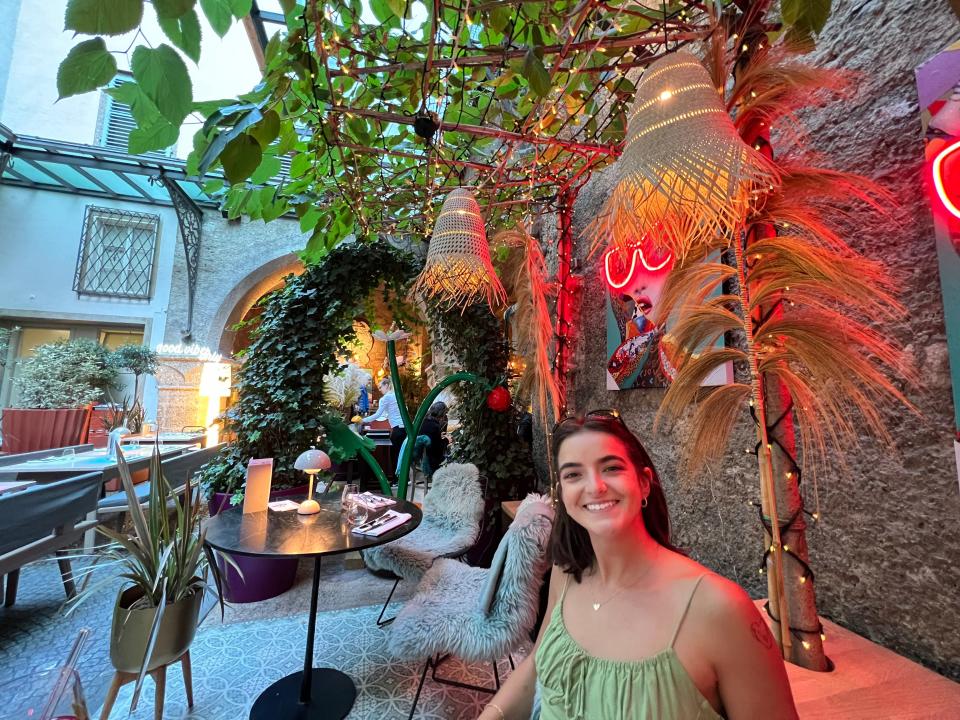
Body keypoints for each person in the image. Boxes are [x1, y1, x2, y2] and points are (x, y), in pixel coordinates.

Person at [478, 411, 798, 720]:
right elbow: (537, 664)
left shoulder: (719, 609)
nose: (595, 487)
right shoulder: (567, 572)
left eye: (611, 468)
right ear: (562, 493)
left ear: (644, 483)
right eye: (574, 474)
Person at [362, 377, 406, 466]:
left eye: (380, 387)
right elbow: (384, 415)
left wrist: (362, 421)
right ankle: (402, 478)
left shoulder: (385, 398)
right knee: (401, 455)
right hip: (404, 429)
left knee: (394, 456)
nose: (379, 389)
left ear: (386, 385)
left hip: (397, 429)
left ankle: (396, 479)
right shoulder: (397, 395)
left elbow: (378, 415)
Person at [419, 401, 449, 477]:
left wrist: (439, 435)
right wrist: (447, 440)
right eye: (444, 414)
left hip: (420, 458)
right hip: (431, 462)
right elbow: (437, 450)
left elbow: (430, 438)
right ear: (441, 413)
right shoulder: (434, 426)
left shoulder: (424, 422)